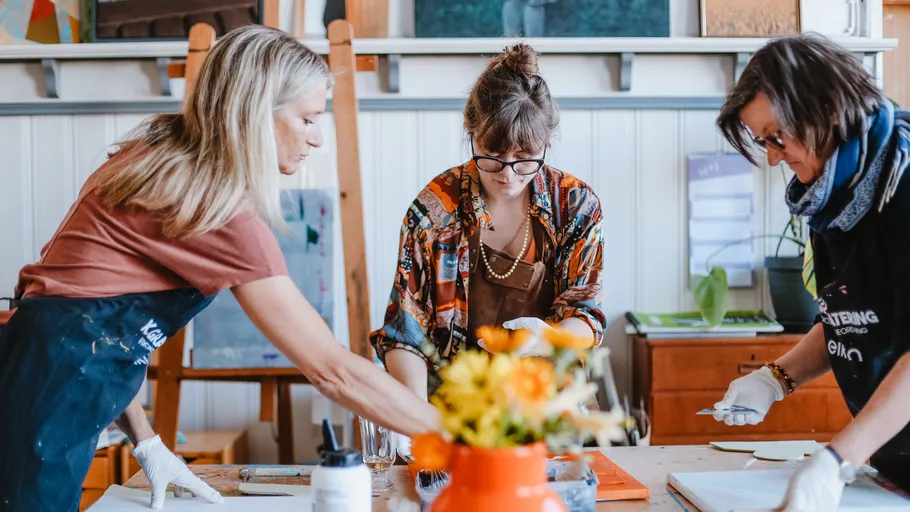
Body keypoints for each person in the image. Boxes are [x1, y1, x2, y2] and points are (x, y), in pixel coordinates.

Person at [0, 25, 437, 511]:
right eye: (309, 118)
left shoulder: (155, 158)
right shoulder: (219, 213)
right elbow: (334, 371)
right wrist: (457, 437)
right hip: (42, 400)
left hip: (34, 372)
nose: (317, 138)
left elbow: (97, 323)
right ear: (256, 114)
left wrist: (145, 439)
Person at [369, 43, 605, 454]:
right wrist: (419, 426)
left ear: (546, 143)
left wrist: (545, 338)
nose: (509, 174)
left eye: (525, 158)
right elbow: (405, 332)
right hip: (452, 416)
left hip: (546, 410)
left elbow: (586, 317)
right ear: (471, 133)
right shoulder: (434, 210)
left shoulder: (576, 206)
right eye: (492, 156)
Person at [714, 34, 910, 510]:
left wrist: (838, 461)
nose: (775, 157)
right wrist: (775, 378)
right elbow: (851, 316)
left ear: (827, 108)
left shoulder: (903, 183)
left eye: (777, 136)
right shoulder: (832, 194)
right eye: (764, 143)